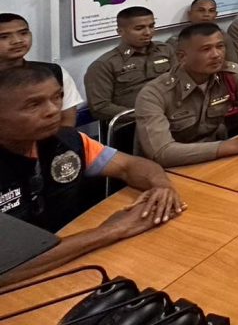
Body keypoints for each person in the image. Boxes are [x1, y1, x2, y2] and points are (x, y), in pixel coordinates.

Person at [0, 64, 184, 286]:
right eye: (33, 104)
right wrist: (112, 230)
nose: (53, 110)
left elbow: (131, 166)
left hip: (71, 259)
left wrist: (161, 186)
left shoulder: (67, 141)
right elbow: (7, 268)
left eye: (57, 97)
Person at [134, 23, 238, 167]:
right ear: (182, 56)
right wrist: (234, 145)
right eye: (206, 49)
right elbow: (162, 153)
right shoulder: (154, 93)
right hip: (173, 169)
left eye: (220, 46)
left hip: (216, 159)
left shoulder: (231, 73)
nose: (216, 55)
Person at [84, 6, 175, 123]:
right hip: (135, 122)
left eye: (151, 26)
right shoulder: (104, 65)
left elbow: (180, 80)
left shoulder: (165, 50)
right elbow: (100, 108)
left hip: (175, 115)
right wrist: (145, 114)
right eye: (139, 28)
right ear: (120, 32)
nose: (148, 32)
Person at [0, 13, 83, 128]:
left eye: (23, 33)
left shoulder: (53, 73)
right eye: (4, 37)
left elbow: (67, 119)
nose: (17, 41)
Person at [164, 0, 238, 64]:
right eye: (201, 10)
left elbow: (234, 64)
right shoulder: (177, 41)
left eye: (211, 11)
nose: (206, 14)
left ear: (216, 15)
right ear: (190, 14)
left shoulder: (223, 37)